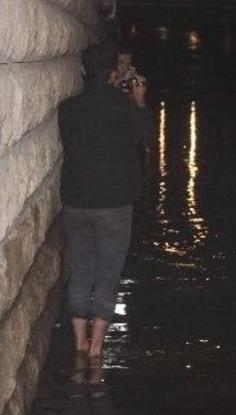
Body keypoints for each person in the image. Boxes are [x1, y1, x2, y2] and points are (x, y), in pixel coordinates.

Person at [58, 43, 154, 357]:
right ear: (113, 73)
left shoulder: (67, 109)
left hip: (76, 200)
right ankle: (97, 348)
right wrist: (139, 102)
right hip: (114, 202)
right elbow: (147, 139)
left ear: (84, 72)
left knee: (82, 270)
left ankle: (79, 343)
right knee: (109, 272)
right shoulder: (125, 107)